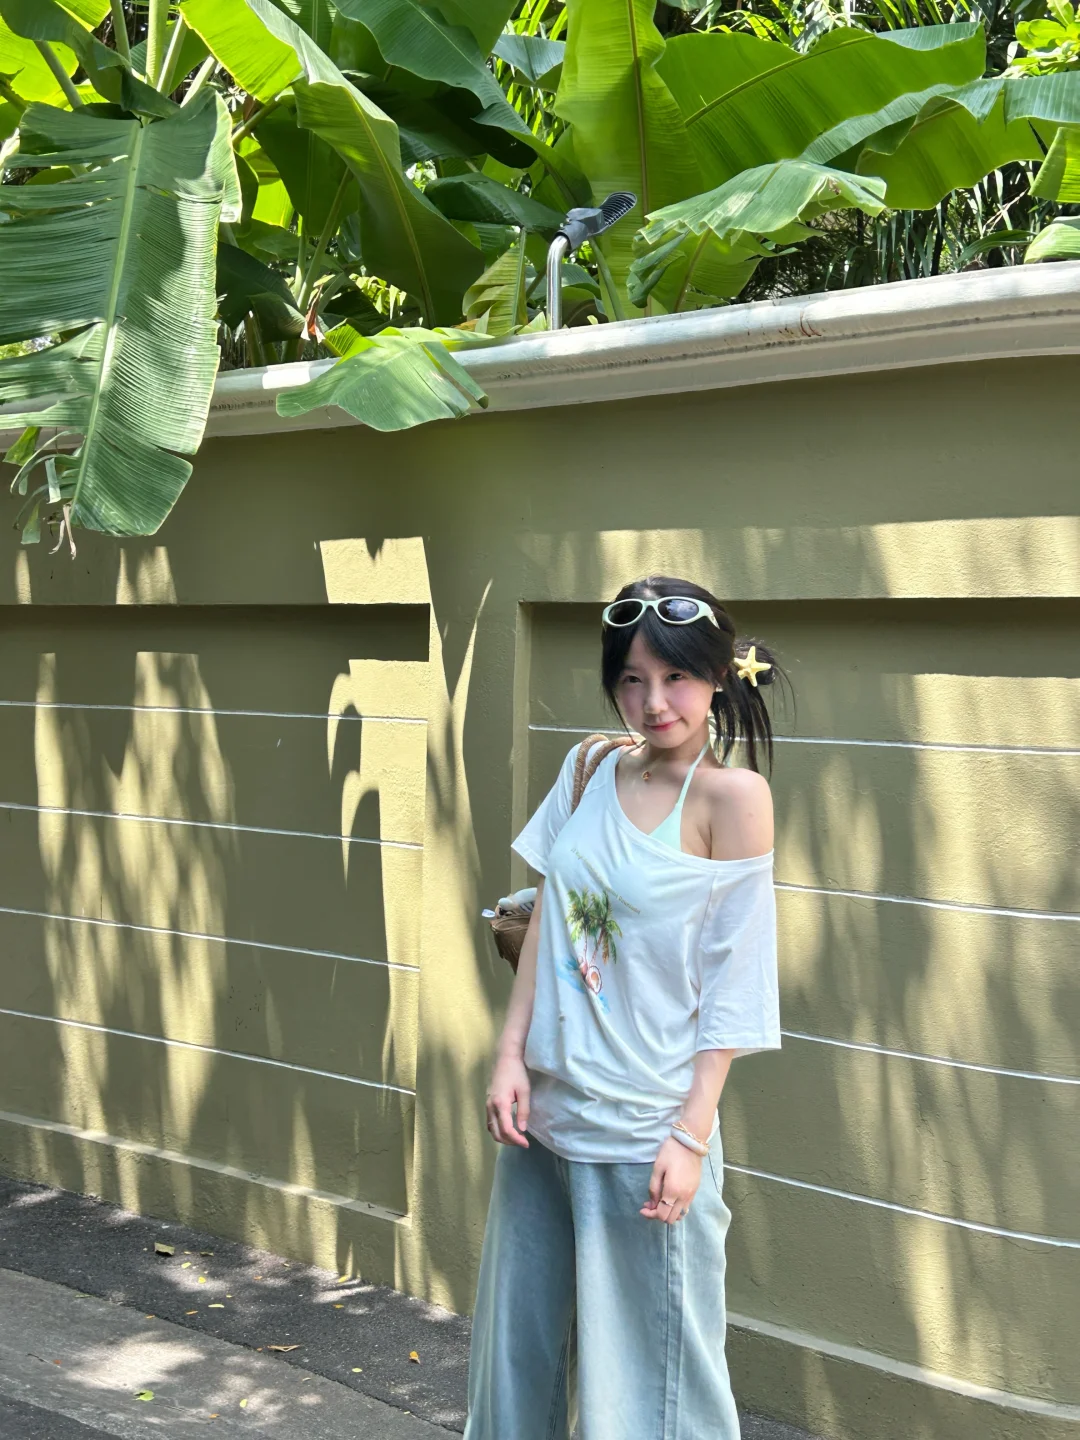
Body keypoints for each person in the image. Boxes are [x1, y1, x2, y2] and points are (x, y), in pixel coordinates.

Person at [464, 575, 787, 1440]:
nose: (654, 703)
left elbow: (734, 982)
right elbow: (547, 917)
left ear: (717, 675)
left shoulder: (733, 800)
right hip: (542, 1121)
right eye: (633, 680)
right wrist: (509, 1056)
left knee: (654, 1393)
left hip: (647, 1133)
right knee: (514, 1366)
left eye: (675, 677)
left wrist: (691, 1136)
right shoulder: (591, 767)